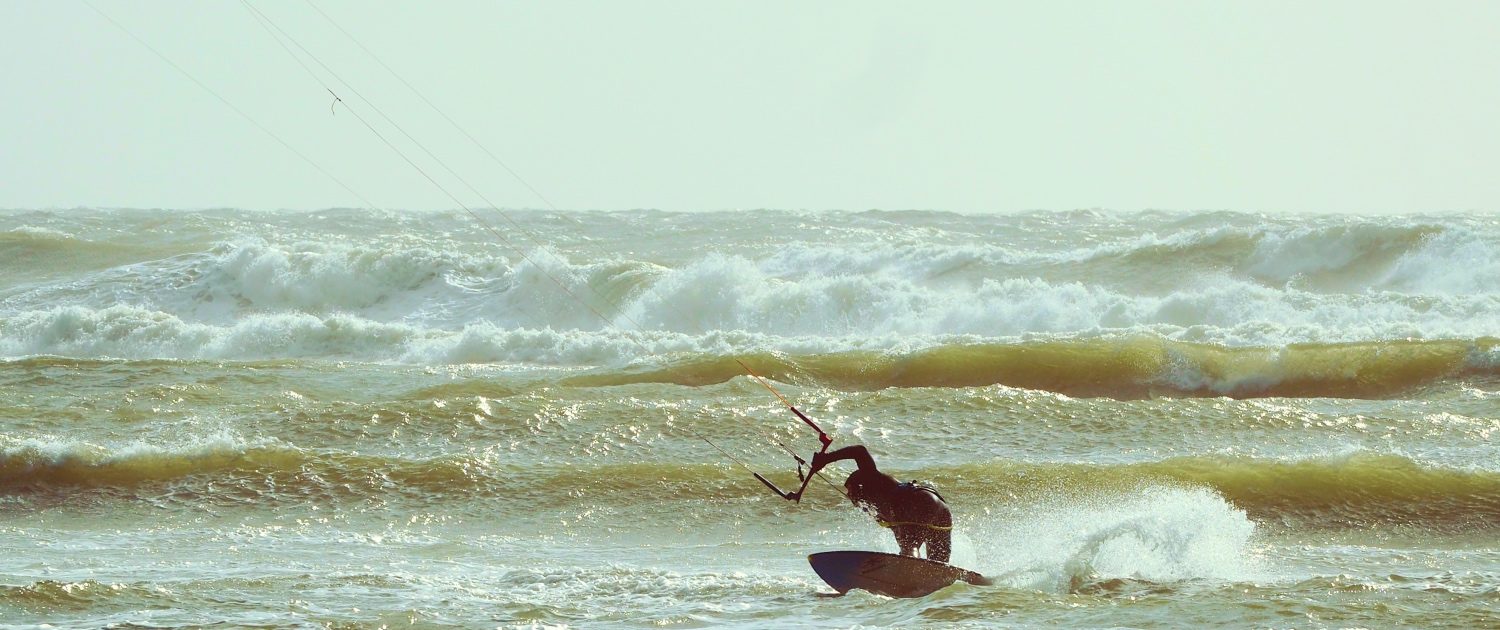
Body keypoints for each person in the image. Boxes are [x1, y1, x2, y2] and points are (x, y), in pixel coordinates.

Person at [793, 444, 953, 563]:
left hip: (917, 500)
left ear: (861, 486)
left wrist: (826, 459)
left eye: (851, 492)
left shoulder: (872, 479)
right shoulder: (886, 515)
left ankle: (909, 576)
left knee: (909, 550)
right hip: (940, 509)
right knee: (937, 567)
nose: (852, 499)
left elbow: (859, 451)